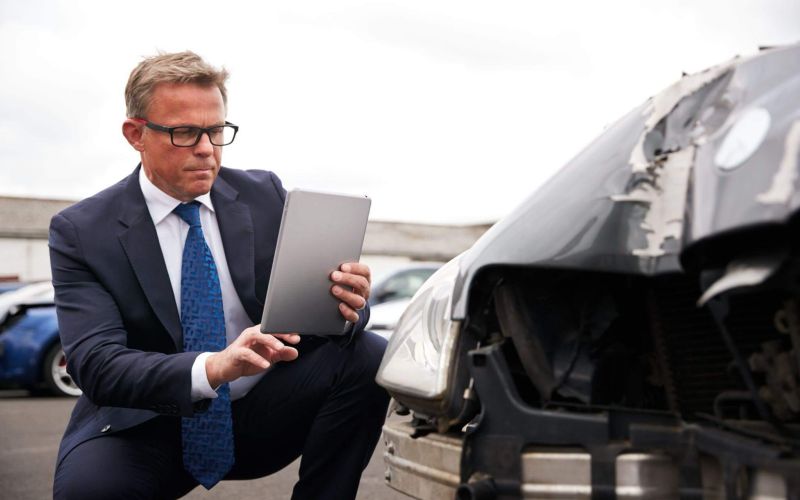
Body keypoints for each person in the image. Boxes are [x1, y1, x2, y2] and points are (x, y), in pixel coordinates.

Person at [50, 51, 390, 499]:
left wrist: (346, 304)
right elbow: (98, 365)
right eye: (185, 132)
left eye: (215, 131)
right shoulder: (81, 231)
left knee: (366, 355)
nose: (207, 149)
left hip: (260, 415)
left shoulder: (264, 195)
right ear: (136, 134)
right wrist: (212, 367)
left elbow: (328, 322)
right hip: (148, 423)